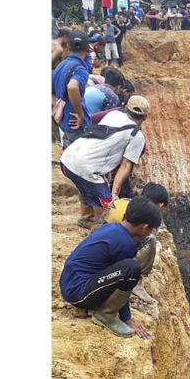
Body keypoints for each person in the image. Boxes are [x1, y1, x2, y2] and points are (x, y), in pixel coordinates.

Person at [58, 197, 163, 336]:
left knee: (128, 266)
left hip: (70, 283)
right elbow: (125, 277)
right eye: (150, 230)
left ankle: (99, 305)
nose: (149, 234)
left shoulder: (113, 227)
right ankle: (106, 315)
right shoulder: (125, 244)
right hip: (78, 293)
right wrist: (127, 318)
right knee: (132, 268)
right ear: (144, 227)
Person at [60, 94, 150, 228]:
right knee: (108, 210)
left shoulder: (112, 114)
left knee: (86, 185)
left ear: (126, 108)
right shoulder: (136, 136)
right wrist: (113, 193)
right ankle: (100, 228)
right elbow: (125, 166)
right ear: (145, 117)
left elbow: (95, 120)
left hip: (66, 160)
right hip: (85, 168)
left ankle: (87, 218)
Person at [52, 32, 90, 148]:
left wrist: (56, 106)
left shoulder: (61, 65)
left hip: (64, 121)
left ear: (68, 46)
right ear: (87, 48)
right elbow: (72, 87)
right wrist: (80, 114)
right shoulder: (80, 69)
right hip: (77, 124)